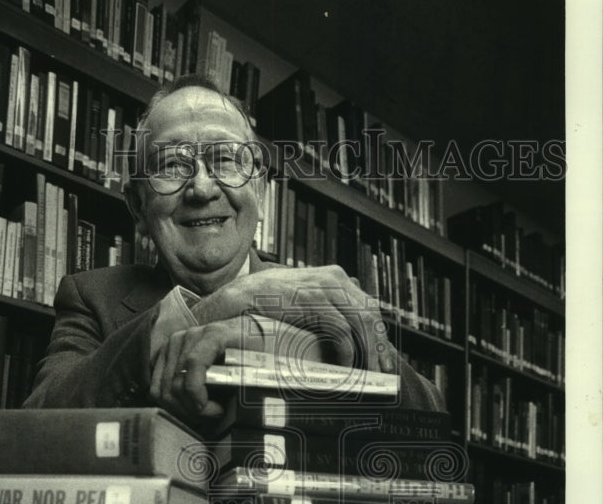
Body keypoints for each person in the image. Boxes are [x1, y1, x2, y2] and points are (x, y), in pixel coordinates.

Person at [23, 74, 445, 422]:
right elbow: (37, 425)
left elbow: (427, 412)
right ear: (137, 204)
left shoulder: (321, 295)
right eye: (172, 164)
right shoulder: (90, 297)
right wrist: (228, 304)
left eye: (225, 159)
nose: (202, 188)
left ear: (258, 189)